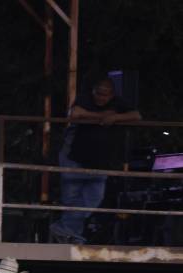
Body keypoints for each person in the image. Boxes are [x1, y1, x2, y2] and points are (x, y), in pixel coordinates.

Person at [53, 77, 142, 244]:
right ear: (93, 91)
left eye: (105, 95)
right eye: (98, 94)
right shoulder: (85, 99)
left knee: (94, 198)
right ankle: (71, 235)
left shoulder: (118, 103)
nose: (101, 98)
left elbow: (137, 115)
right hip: (75, 156)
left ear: (112, 95)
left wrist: (115, 118)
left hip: (100, 161)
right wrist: (103, 116)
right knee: (71, 199)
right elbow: (75, 113)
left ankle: (64, 229)